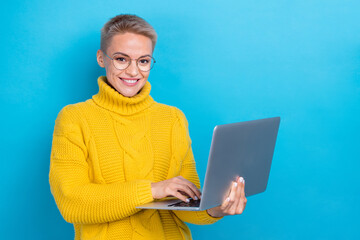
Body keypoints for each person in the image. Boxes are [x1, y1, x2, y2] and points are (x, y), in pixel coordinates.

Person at [49, 14, 247, 240]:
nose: (133, 72)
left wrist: (215, 209)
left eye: (143, 61)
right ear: (101, 58)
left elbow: (185, 205)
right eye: (121, 59)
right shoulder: (74, 118)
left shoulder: (173, 118)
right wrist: (153, 190)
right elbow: (72, 202)